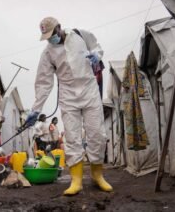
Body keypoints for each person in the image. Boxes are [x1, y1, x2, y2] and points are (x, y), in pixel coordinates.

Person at [25, 17, 113, 195]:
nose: (51, 39)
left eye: (52, 34)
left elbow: (96, 46)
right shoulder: (48, 53)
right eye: (47, 37)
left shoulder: (80, 35)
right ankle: (76, 180)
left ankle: (98, 176)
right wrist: (36, 108)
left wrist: (97, 55)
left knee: (97, 133)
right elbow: (44, 82)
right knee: (72, 137)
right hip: (68, 95)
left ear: (59, 27)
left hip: (89, 90)